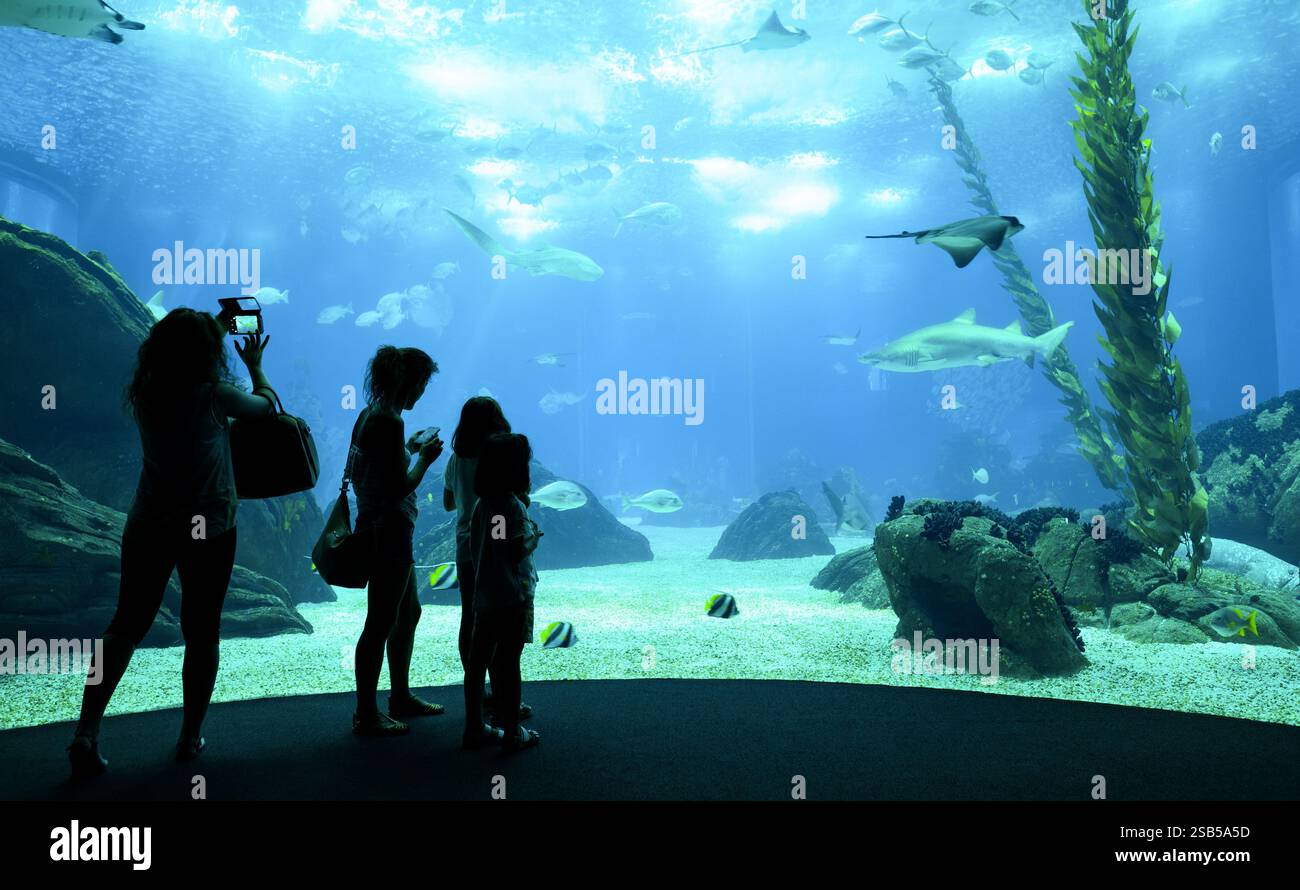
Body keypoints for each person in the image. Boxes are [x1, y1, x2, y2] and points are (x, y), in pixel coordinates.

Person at [68, 309, 276, 777]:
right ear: (207, 354)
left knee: (125, 626)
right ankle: (188, 737)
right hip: (210, 526)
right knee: (201, 631)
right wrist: (257, 366)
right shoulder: (214, 396)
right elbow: (266, 408)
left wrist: (213, 327)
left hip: (150, 524)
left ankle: (86, 731)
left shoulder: (146, 392)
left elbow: (182, 354)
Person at [350, 346, 444, 736]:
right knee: (380, 622)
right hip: (388, 529)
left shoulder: (369, 414)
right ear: (410, 382)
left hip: (381, 525)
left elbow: (373, 466)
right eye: (421, 384)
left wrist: (408, 451)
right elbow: (398, 485)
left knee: (409, 613)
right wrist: (426, 458)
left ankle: (400, 695)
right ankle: (366, 713)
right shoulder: (390, 422)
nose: (421, 393)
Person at [442, 396, 532, 725]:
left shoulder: (457, 459)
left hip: (466, 547)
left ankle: (479, 697)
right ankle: (503, 698)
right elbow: (509, 515)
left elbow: (448, 503)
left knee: (473, 618)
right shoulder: (496, 456)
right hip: (494, 552)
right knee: (503, 624)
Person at [465, 432, 542, 751]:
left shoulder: (483, 505)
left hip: (485, 597)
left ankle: (474, 727)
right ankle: (512, 731)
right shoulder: (509, 506)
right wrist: (532, 538)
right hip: (512, 598)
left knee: (478, 662)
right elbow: (509, 549)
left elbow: (490, 546)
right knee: (509, 663)